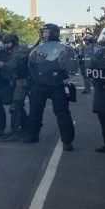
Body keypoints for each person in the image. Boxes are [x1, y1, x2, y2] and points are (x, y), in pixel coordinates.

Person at [24, 23, 76, 151]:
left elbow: (71, 66)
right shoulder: (38, 47)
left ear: (55, 33)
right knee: (35, 112)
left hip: (58, 83)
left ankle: (67, 141)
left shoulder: (64, 49)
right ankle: (32, 135)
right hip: (40, 82)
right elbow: (29, 61)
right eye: (43, 33)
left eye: (47, 33)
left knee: (62, 113)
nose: (45, 35)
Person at [0, 33, 31, 141]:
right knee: (18, 105)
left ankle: (15, 131)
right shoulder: (13, 52)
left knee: (15, 106)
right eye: (5, 43)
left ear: (14, 42)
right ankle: (24, 128)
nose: (6, 46)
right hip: (18, 81)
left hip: (23, 82)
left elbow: (11, 67)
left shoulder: (19, 53)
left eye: (8, 43)